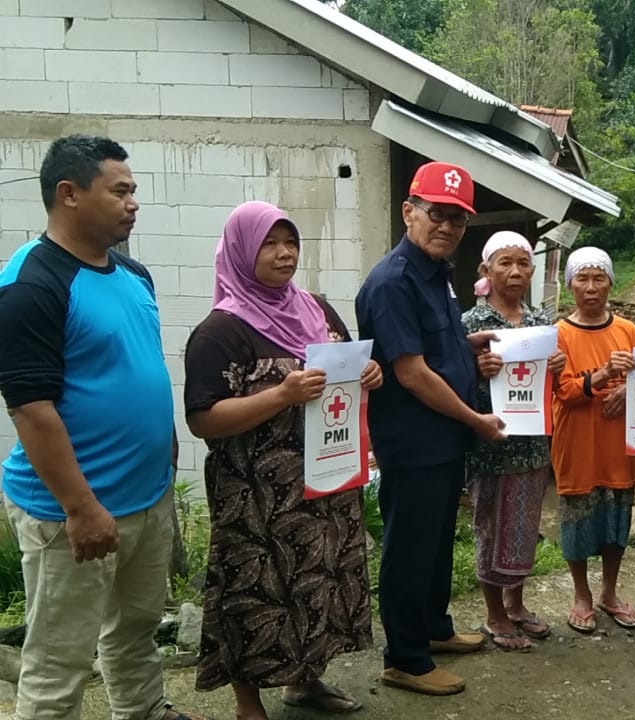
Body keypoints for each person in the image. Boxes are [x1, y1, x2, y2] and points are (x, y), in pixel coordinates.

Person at [0, 135, 205, 720]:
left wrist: (164, 460)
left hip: (145, 497)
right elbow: (30, 409)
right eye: (120, 191)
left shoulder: (133, 274)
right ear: (69, 194)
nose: (133, 202)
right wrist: (80, 506)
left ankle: (142, 710)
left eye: (133, 191)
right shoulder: (31, 284)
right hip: (72, 512)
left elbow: (139, 368)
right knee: (59, 657)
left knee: (135, 627)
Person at [182, 201, 379, 718]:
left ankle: (306, 680)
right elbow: (203, 419)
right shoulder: (221, 331)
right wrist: (280, 395)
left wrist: (367, 378)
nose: (284, 253)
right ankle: (249, 702)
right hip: (257, 498)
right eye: (269, 243)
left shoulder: (316, 309)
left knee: (317, 582)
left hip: (327, 480)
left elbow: (343, 375)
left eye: (290, 242)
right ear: (243, 250)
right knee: (254, 592)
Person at [355, 162, 506, 696]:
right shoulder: (393, 281)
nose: (446, 227)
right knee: (410, 547)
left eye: (457, 220)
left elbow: (432, 350)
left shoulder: (436, 274)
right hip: (415, 441)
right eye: (436, 215)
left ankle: (434, 629)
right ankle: (406, 657)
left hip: (442, 441)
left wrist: (471, 346)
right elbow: (412, 373)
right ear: (408, 212)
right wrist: (477, 421)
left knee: (438, 540)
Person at [463, 231, 566, 651]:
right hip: (490, 446)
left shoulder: (542, 323)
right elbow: (448, 385)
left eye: (523, 263)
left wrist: (557, 366)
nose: (515, 271)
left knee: (524, 528)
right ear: (485, 270)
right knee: (490, 525)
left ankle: (517, 603)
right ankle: (494, 614)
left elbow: (552, 387)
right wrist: (475, 369)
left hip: (533, 445)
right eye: (505, 262)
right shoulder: (470, 325)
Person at [550, 247, 635, 634]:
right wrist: (606, 374)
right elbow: (567, 393)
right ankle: (581, 595)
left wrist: (630, 392)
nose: (591, 288)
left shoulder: (629, 331)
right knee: (576, 522)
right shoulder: (559, 334)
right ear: (570, 284)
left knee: (615, 520)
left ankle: (609, 592)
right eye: (582, 279)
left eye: (599, 278)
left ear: (610, 282)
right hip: (577, 444)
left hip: (618, 445)